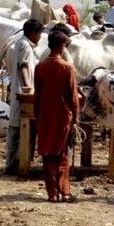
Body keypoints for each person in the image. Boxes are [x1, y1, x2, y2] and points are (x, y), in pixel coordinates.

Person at [34, 31, 80, 203]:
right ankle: (65, 192)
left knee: (47, 154)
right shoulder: (68, 68)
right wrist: (76, 117)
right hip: (62, 117)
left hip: (45, 117)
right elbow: (73, 97)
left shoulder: (40, 67)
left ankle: (52, 193)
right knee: (62, 154)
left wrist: (37, 116)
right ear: (61, 47)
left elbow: (37, 96)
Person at [5, 18, 43, 175]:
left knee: (16, 127)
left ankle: (15, 162)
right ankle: (13, 164)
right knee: (17, 129)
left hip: (16, 90)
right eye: (39, 34)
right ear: (33, 33)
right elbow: (24, 66)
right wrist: (27, 88)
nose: (40, 37)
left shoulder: (20, 43)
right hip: (21, 92)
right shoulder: (25, 46)